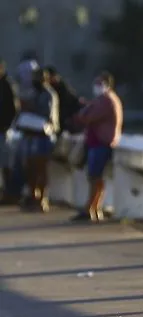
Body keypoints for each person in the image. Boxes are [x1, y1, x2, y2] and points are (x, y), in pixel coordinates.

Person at [71, 72, 122, 222]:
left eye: (99, 83)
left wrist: (84, 111)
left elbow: (87, 116)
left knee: (95, 176)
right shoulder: (103, 99)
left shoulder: (106, 100)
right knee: (95, 176)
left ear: (107, 84)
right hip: (97, 143)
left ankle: (91, 208)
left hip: (101, 144)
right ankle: (93, 208)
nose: (96, 86)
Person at [15, 68, 59, 212]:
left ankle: (42, 198)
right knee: (31, 168)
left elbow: (47, 116)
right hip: (31, 136)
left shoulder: (49, 95)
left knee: (41, 168)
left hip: (43, 136)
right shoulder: (34, 93)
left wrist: (31, 110)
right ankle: (33, 195)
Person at [0, 59, 20, 204]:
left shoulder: (7, 85)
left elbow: (13, 109)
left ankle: (10, 193)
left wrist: (6, 125)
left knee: (6, 163)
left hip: (3, 130)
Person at [44, 66, 85, 135]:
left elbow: (68, 103)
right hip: (58, 120)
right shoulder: (54, 87)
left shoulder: (60, 87)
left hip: (63, 120)